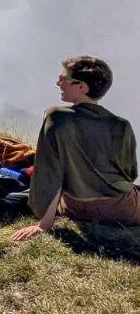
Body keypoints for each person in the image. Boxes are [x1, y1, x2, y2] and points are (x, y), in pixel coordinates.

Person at [11, 56, 140, 242]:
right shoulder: (121, 125)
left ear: (82, 88)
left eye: (64, 79)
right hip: (122, 208)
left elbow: (51, 173)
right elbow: (129, 173)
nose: (58, 82)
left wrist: (44, 224)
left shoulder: (57, 118)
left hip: (76, 206)